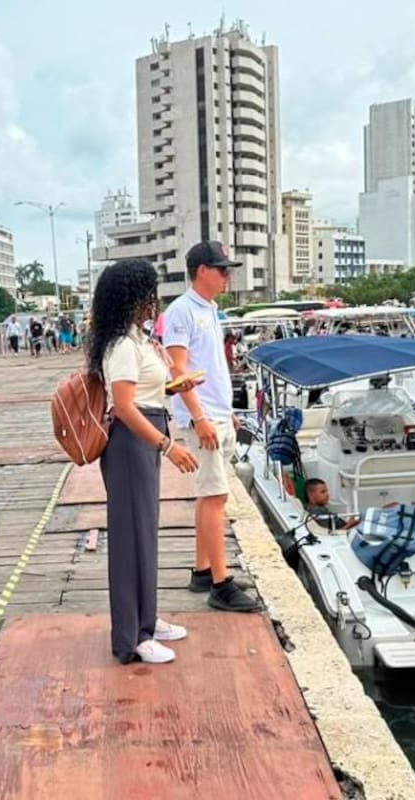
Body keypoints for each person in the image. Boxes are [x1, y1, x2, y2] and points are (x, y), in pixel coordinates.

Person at [90, 259, 199, 663]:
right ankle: (130, 636)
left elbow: (146, 393)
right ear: (132, 297)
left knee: (145, 534)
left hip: (145, 435)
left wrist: (175, 385)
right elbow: (123, 408)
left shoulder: (137, 339)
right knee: (129, 538)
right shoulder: (121, 345)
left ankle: (146, 620)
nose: (156, 301)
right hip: (131, 442)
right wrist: (168, 447)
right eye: (149, 293)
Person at [164, 241, 262, 612]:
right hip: (202, 416)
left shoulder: (208, 310)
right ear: (201, 270)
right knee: (215, 496)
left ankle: (203, 569)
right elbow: (179, 369)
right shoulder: (182, 312)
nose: (227, 276)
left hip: (217, 414)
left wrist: (226, 411)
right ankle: (221, 585)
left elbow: (211, 366)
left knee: (210, 494)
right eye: (222, 269)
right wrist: (200, 417)